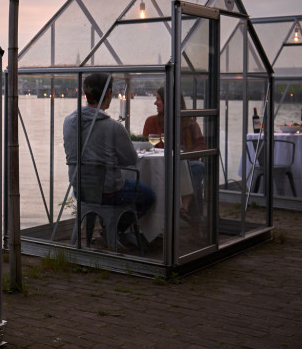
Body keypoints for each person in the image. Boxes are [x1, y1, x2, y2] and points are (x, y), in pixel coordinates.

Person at [63, 73, 155, 237]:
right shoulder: (113, 127)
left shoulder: (68, 122)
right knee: (149, 196)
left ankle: (107, 230)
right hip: (109, 192)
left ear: (86, 94)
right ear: (108, 93)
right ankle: (113, 231)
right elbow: (131, 160)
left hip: (79, 189)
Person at [142, 86, 206, 223]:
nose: (155, 103)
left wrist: (183, 158)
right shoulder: (151, 122)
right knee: (195, 174)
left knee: (197, 166)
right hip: (158, 168)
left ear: (169, 101)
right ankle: (184, 209)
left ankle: (184, 208)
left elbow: (201, 145)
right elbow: (146, 146)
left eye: (158, 99)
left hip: (180, 167)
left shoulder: (189, 123)